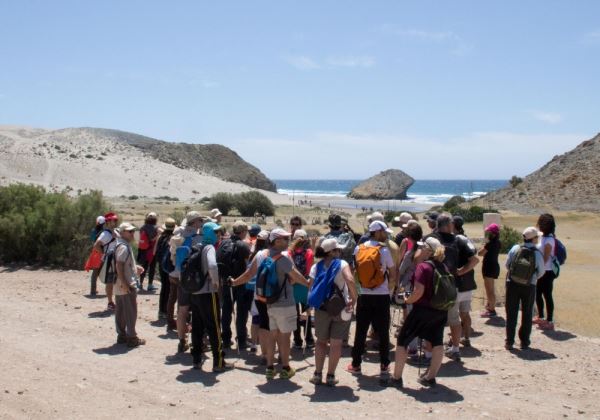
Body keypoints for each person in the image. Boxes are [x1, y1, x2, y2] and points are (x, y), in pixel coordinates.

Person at [231, 228, 309, 380]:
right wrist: (308, 284)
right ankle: (285, 367)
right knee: (285, 336)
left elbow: (248, 275)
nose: (288, 241)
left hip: (264, 301)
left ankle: (269, 365)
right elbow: (295, 277)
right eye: (285, 239)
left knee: (269, 333)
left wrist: (234, 282)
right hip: (284, 302)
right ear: (276, 241)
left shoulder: (260, 254)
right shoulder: (284, 257)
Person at [388, 237, 449, 388]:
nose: (419, 249)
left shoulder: (423, 267)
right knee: (437, 343)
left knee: (402, 341)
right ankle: (430, 377)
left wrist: (407, 300)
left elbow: (418, 291)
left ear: (428, 251)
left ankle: (396, 378)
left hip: (422, 310)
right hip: (441, 310)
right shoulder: (443, 267)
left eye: (422, 247)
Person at [347, 220, 395, 380]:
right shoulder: (384, 250)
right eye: (384, 232)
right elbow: (393, 272)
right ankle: (384, 364)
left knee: (361, 330)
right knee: (383, 331)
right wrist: (389, 290)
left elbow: (354, 272)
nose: (386, 235)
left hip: (364, 295)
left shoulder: (358, 248)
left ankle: (356, 364)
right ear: (377, 232)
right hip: (381, 295)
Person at [429, 213, 479, 362]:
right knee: (454, 318)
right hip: (453, 285)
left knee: (433, 318)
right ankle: (456, 349)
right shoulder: (458, 240)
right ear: (449, 225)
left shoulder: (431, 238)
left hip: (435, 285)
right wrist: (460, 271)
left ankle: (430, 352)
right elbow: (475, 259)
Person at [308, 238, 358, 386]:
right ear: (332, 252)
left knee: (321, 342)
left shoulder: (316, 267)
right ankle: (330, 376)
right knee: (336, 344)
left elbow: (310, 288)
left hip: (321, 308)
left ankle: (317, 374)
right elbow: (349, 279)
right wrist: (354, 298)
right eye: (338, 249)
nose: (340, 252)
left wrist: (309, 306)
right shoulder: (342, 264)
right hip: (339, 307)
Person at [190, 222, 234, 372]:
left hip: (195, 292)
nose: (218, 235)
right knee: (214, 326)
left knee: (197, 326)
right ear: (210, 233)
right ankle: (219, 361)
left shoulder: (197, 245)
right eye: (215, 232)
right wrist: (216, 283)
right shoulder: (209, 248)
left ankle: (196, 359)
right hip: (208, 293)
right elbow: (213, 266)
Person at [167, 211, 204, 353]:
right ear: (195, 222)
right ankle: (197, 341)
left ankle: (182, 341)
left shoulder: (177, 236)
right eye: (200, 220)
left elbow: (172, 257)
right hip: (196, 279)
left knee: (182, 309)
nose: (201, 222)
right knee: (197, 311)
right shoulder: (199, 238)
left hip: (181, 277)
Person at [505, 227, 545, 350]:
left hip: (512, 284)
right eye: (537, 237)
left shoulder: (515, 249)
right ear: (533, 239)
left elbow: (507, 265)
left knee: (511, 313)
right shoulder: (537, 253)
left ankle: (509, 342)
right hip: (529, 286)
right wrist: (531, 278)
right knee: (527, 314)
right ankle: (524, 342)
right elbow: (541, 272)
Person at [219, 220, 252, 350]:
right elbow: (248, 265)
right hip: (240, 282)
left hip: (226, 282)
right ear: (243, 232)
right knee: (241, 313)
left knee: (226, 311)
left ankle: (226, 339)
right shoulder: (243, 246)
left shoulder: (223, 243)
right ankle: (241, 340)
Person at [114, 222, 146, 348]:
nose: (133, 233)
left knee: (121, 311)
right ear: (122, 232)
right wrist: (125, 283)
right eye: (130, 231)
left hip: (119, 282)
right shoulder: (123, 246)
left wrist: (134, 267)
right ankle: (132, 338)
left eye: (133, 231)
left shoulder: (120, 244)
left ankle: (122, 336)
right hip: (126, 283)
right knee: (131, 311)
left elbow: (122, 264)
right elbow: (119, 265)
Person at [452, 215, 478, 348]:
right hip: (468, 283)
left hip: (458, 284)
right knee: (465, 313)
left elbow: (475, 260)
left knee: (454, 316)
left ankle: (454, 342)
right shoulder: (467, 239)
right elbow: (475, 256)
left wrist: (460, 271)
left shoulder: (456, 240)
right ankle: (466, 338)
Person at [288, 229, 315, 349]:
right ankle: (308, 339)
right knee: (307, 314)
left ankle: (297, 340)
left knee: (294, 315)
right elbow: (310, 271)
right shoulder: (309, 253)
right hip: (305, 286)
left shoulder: (289, 252)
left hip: (292, 286)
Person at [93, 212, 120, 311]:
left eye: (116, 220)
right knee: (110, 281)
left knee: (117, 281)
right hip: (110, 260)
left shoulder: (116, 231)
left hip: (116, 258)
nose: (115, 222)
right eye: (114, 220)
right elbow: (96, 245)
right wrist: (104, 253)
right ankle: (110, 302)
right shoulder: (105, 234)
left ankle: (116, 302)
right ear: (108, 222)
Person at [536, 214, 558, 331]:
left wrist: (538, 268)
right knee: (538, 294)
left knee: (547, 295)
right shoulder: (543, 237)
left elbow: (546, 257)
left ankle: (549, 321)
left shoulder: (549, 239)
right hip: (542, 271)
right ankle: (541, 316)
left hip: (547, 271)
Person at [155, 218, 176, 320]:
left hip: (161, 265)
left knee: (164, 288)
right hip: (170, 265)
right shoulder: (173, 238)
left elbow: (155, 252)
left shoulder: (161, 237)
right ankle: (167, 311)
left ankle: (161, 311)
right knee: (170, 289)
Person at [480, 223, 501, 317]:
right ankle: (490, 306)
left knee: (489, 290)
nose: (488, 233)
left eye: (489, 232)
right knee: (491, 289)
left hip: (488, 267)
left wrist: (484, 245)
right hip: (494, 266)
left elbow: (480, 253)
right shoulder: (498, 243)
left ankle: (491, 310)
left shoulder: (489, 244)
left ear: (493, 233)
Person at [137, 212, 159, 292]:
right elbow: (153, 239)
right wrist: (158, 235)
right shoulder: (156, 228)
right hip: (152, 250)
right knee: (152, 267)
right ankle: (150, 284)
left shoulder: (142, 227)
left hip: (143, 249)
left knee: (143, 267)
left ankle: (140, 283)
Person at [89, 215, 105, 296]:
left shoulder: (93, 231)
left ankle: (93, 290)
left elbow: (92, 241)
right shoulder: (105, 232)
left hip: (95, 252)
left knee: (95, 272)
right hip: (103, 253)